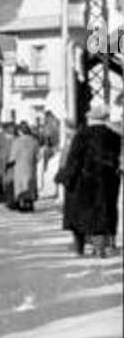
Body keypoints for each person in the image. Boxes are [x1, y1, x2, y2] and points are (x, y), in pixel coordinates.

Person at [57, 99, 122, 257]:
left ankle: (79, 247)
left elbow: (74, 159)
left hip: (84, 181)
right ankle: (100, 246)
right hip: (107, 181)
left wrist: (65, 178)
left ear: (91, 119)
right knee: (103, 212)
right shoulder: (114, 136)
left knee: (78, 213)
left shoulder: (82, 135)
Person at [9, 122, 40, 212]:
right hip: (30, 166)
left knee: (21, 186)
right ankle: (30, 203)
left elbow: (13, 156)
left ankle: (21, 204)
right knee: (30, 184)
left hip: (19, 167)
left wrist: (10, 163)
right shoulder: (34, 141)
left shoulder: (17, 141)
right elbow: (38, 155)